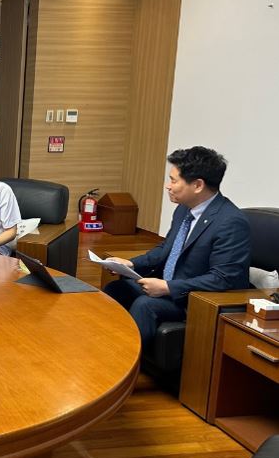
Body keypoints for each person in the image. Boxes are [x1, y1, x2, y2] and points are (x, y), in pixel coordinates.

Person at [104, 146, 251, 345]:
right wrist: (130, 264)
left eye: (174, 180)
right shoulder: (184, 209)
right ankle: (104, 346)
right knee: (116, 289)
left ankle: (127, 357)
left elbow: (223, 278)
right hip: (171, 285)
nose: (168, 186)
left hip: (195, 299)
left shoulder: (231, 222)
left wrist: (168, 287)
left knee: (145, 305)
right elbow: (166, 249)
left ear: (197, 185)